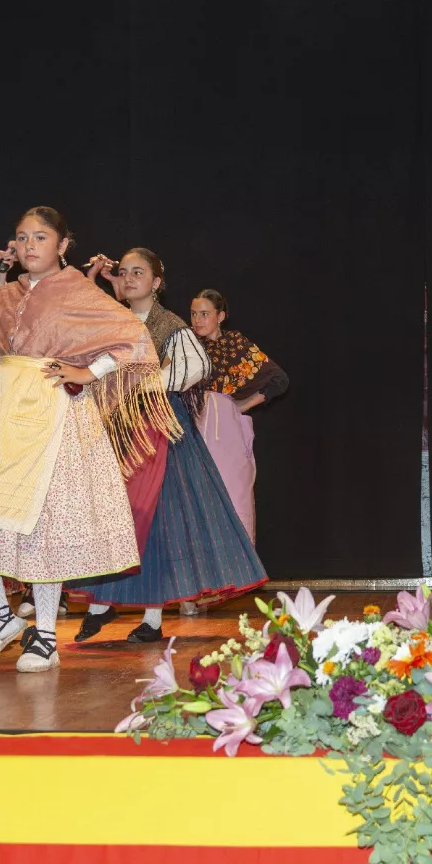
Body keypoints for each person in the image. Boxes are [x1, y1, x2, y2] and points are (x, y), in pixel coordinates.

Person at [0, 209, 167, 672]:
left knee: (43, 524)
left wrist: (88, 371)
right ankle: (0, 616)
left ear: (63, 245)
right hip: (1, 406)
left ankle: (45, 636)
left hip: (51, 407)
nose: (29, 245)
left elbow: (134, 340)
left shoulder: (79, 291)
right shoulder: (8, 294)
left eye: (40, 237)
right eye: (22, 238)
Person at [72, 248, 268, 642]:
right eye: (124, 272)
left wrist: (143, 384)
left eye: (138, 272)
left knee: (159, 521)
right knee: (115, 514)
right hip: (122, 429)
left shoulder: (171, 326)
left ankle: (151, 619)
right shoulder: (117, 320)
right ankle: (102, 602)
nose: (129, 278)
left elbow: (195, 367)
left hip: (160, 430)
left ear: (157, 282)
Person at [189, 288, 289, 541]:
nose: (197, 320)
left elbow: (279, 380)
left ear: (220, 316)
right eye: (193, 314)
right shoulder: (186, 345)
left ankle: (236, 562)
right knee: (194, 498)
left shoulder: (235, 344)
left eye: (204, 314)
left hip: (225, 433)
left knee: (233, 497)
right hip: (191, 428)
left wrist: (240, 406)